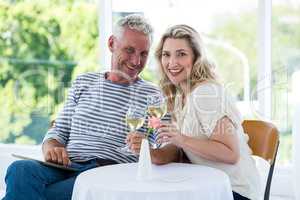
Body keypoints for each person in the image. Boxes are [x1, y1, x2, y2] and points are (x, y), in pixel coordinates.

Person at [3, 14, 160, 200]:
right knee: (19, 170)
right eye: (129, 50)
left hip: (107, 172)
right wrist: (52, 148)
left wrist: (145, 144)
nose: (136, 61)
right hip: (68, 165)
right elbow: (58, 131)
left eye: (143, 54)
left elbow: (162, 144)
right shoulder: (83, 82)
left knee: (42, 194)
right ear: (111, 43)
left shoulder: (153, 95)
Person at [127, 24, 260, 200]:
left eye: (181, 54)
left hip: (233, 191)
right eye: (166, 55)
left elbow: (231, 154)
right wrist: (148, 151)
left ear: (196, 58)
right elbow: (180, 149)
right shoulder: (180, 97)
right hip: (207, 188)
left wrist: (181, 139)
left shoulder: (206, 93)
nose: (172, 63)